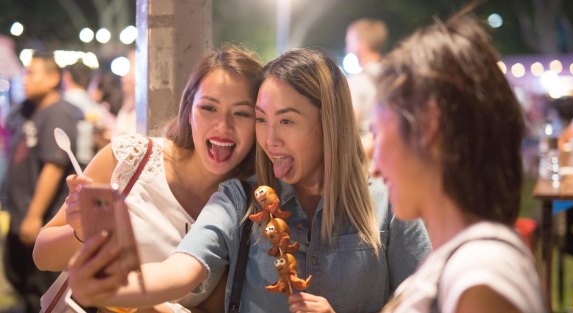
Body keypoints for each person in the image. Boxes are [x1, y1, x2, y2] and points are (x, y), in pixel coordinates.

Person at [65, 48, 431, 313]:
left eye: (286, 121)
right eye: (260, 119)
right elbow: (181, 269)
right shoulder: (241, 198)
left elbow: (431, 302)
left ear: (329, 125)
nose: (269, 140)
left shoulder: (391, 206)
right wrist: (114, 285)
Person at [33, 45, 263, 312]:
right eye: (208, 108)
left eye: (241, 113)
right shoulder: (131, 158)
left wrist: (148, 304)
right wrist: (81, 234)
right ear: (188, 109)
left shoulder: (247, 209)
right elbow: (43, 256)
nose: (223, 125)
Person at [371, 6, 546, 312]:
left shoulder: (481, 273)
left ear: (427, 125)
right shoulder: (467, 261)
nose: (374, 165)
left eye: (379, 134)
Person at [1, 51, 83, 313]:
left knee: (42, 291)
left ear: (52, 78)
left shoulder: (58, 113)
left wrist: (34, 215)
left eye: (31, 73)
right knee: (22, 284)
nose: (25, 79)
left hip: (41, 219)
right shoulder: (31, 110)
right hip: (21, 215)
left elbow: (54, 166)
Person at [345, 18, 388, 159]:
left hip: (369, 166)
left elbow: (349, 130)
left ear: (361, 46)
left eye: (349, 42)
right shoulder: (393, 77)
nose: (347, 48)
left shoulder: (357, 82)